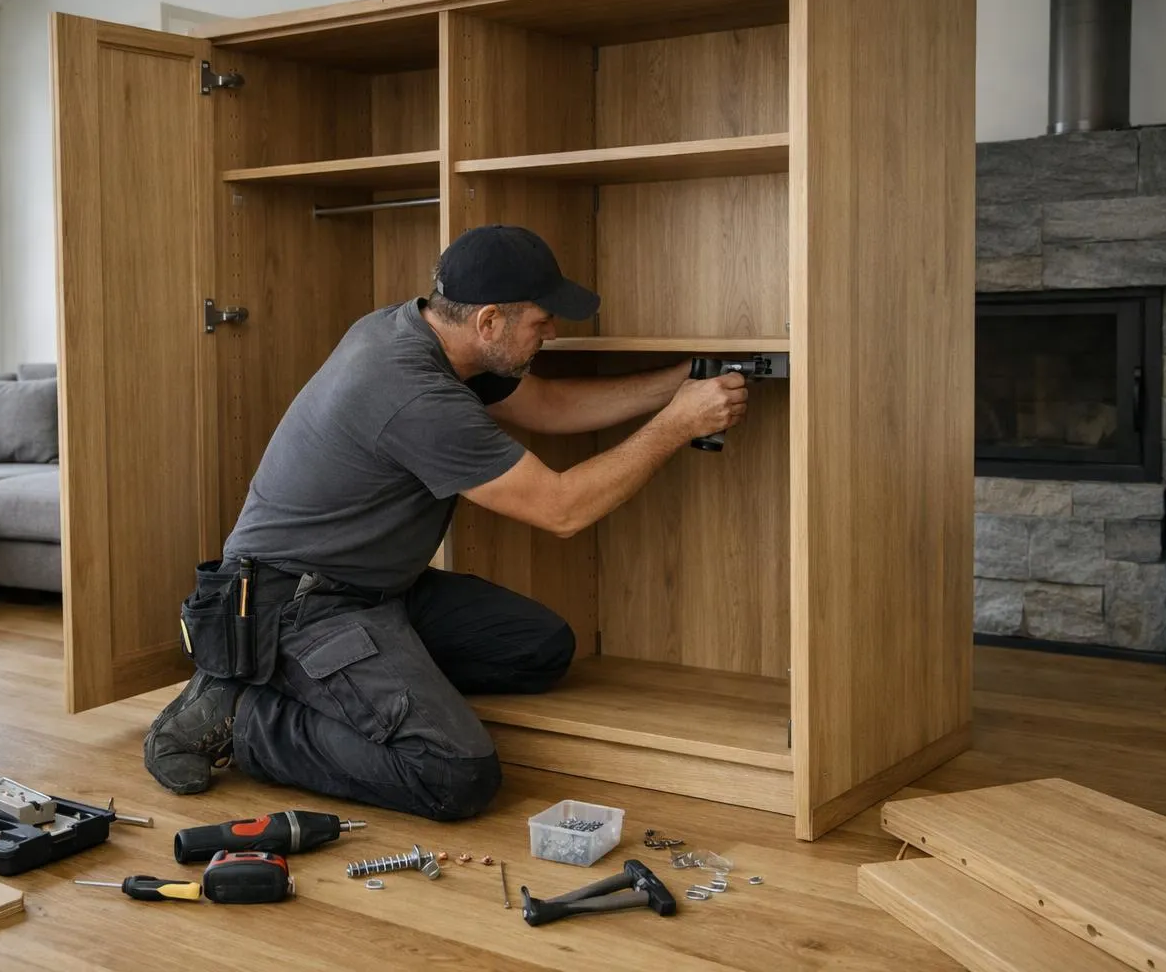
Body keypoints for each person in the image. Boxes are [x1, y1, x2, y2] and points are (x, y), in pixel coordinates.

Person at [142, 224, 749, 821]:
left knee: (538, 649)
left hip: (374, 588)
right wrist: (678, 425)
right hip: (297, 608)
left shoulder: (414, 330)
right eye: (542, 321)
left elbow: (551, 406)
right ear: (489, 321)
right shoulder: (417, 395)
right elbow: (562, 509)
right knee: (454, 774)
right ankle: (247, 715)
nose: (552, 333)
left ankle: (329, 680)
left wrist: (684, 381)